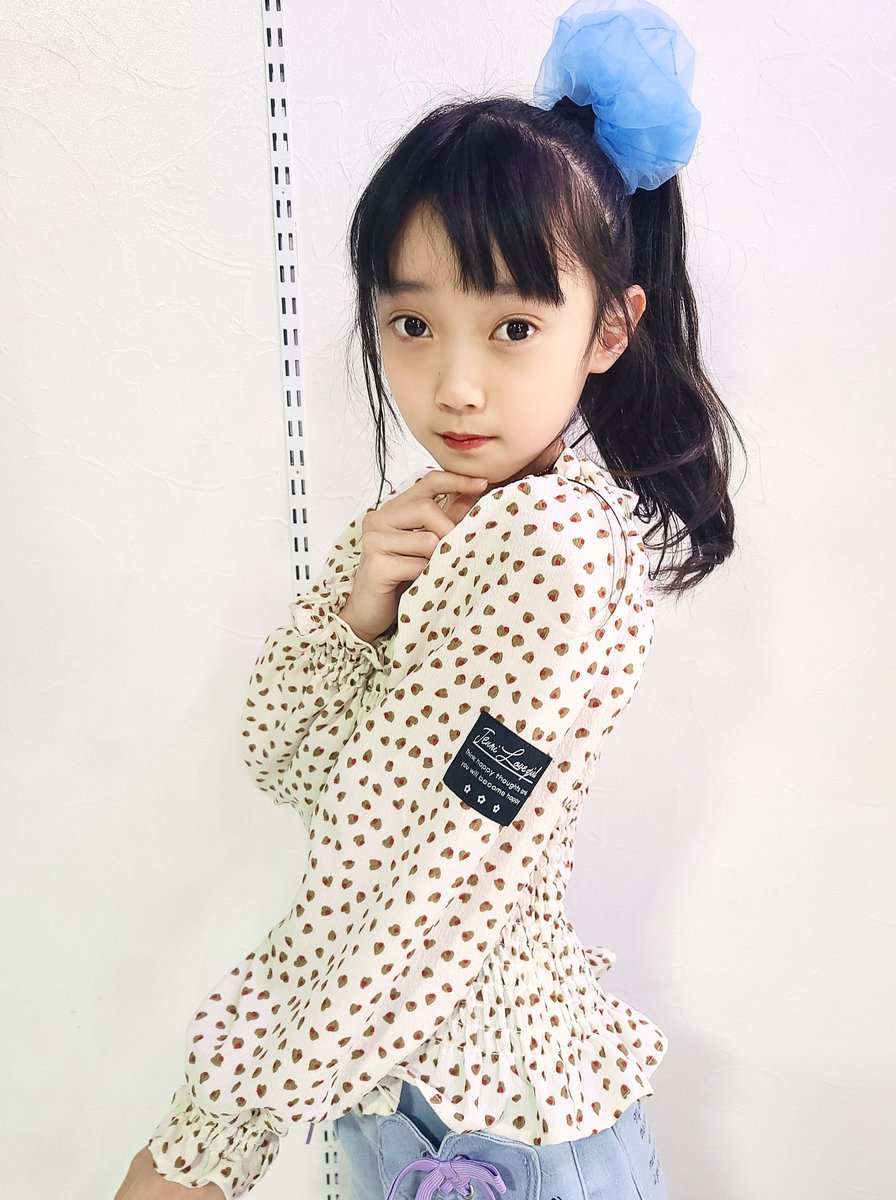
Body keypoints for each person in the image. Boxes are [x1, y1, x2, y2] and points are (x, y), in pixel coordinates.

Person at [114, 0, 744, 1196]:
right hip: (409, 1094)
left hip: (492, 1121)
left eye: (512, 326)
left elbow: (429, 866)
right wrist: (359, 609)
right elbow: (296, 765)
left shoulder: (551, 544)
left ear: (609, 330)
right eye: (412, 323)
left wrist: (212, 1136)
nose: (454, 384)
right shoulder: (440, 522)